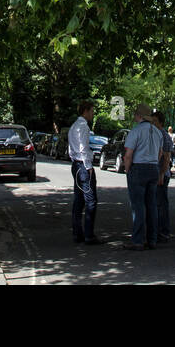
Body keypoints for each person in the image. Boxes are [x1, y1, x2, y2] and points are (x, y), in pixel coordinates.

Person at [122, 104, 164, 250]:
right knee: (151, 204)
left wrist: (127, 170)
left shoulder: (136, 131)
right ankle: (152, 239)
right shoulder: (158, 132)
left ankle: (138, 240)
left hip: (138, 167)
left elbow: (128, 155)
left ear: (139, 116)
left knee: (138, 205)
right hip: (153, 168)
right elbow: (160, 153)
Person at [68, 100, 100, 244]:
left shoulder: (74, 126)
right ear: (85, 111)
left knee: (79, 200)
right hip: (83, 166)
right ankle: (89, 235)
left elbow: (71, 149)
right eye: (92, 111)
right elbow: (83, 148)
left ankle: (77, 233)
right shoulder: (84, 127)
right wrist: (89, 167)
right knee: (91, 201)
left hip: (76, 164)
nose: (93, 114)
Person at [152, 111, 174, 242]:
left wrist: (161, 174)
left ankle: (163, 231)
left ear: (160, 122)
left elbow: (166, 158)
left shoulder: (164, 136)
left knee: (161, 203)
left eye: (155, 121)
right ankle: (158, 230)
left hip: (162, 175)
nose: (152, 124)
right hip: (157, 173)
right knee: (157, 203)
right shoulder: (156, 134)